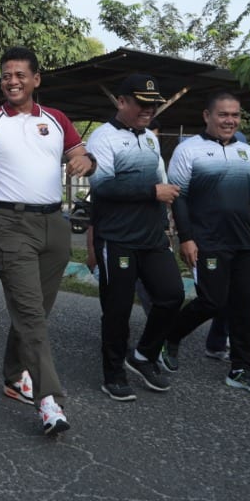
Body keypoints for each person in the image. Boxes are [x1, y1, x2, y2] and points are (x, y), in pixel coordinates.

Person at [0, 46, 95, 436]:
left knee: (34, 311)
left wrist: (87, 161)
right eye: (6, 75)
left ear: (36, 80)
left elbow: (82, 154)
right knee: (31, 314)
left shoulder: (57, 119)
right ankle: (49, 401)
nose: (12, 81)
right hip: (9, 224)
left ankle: (13, 375)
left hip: (54, 225)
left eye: (20, 75)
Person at [162, 92, 250, 395]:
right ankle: (170, 336)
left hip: (243, 241)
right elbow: (180, 198)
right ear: (207, 116)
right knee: (213, 301)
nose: (230, 120)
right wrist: (186, 238)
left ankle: (241, 369)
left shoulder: (246, 152)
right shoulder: (188, 150)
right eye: (223, 114)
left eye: (235, 115)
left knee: (244, 305)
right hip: (207, 241)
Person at [84, 74, 183, 402]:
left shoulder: (151, 140)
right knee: (117, 309)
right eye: (142, 103)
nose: (149, 109)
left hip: (152, 238)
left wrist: (167, 216)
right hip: (117, 238)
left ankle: (143, 355)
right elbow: (102, 187)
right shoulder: (103, 138)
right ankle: (112, 373)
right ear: (122, 101)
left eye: (153, 104)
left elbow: (164, 187)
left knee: (171, 295)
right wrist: (151, 191)